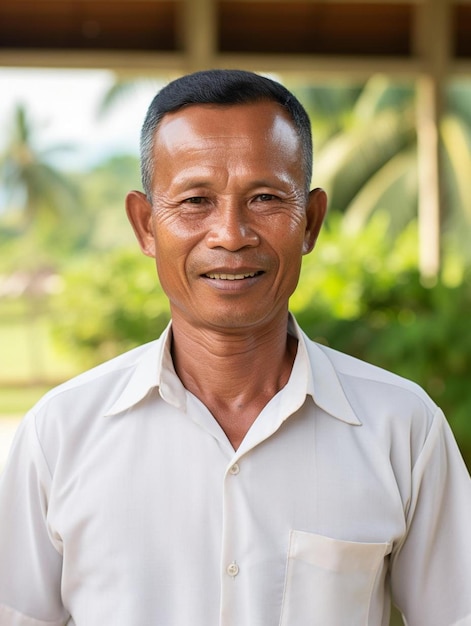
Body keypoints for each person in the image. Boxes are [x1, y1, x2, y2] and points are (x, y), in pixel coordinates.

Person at [0, 69, 470, 626]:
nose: (231, 233)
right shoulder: (60, 435)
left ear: (311, 222)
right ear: (146, 225)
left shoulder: (403, 429)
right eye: (196, 200)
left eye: (266, 197)